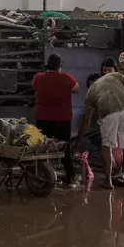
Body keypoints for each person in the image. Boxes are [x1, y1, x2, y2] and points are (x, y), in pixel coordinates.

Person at [76, 72, 124, 193]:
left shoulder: (90, 93)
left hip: (107, 113)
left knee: (107, 145)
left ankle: (108, 181)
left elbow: (86, 122)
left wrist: (77, 142)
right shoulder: (115, 75)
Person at [32, 53, 80, 186]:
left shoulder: (38, 77)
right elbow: (76, 89)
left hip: (42, 118)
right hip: (62, 118)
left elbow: (35, 88)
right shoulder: (66, 77)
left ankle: (42, 175)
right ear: (59, 66)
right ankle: (71, 178)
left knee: (43, 147)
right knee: (64, 148)